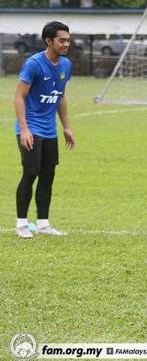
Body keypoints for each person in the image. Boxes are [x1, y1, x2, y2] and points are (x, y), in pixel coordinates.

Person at [15, 21, 75, 238]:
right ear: (48, 41)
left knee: (48, 175)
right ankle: (21, 224)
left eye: (68, 40)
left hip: (50, 130)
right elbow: (19, 97)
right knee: (30, 172)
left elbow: (61, 97)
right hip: (31, 128)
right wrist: (24, 129)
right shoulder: (33, 64)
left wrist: (66, 127)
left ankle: (43, 223)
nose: (66, 43)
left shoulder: (66, 65)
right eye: (62, 40)